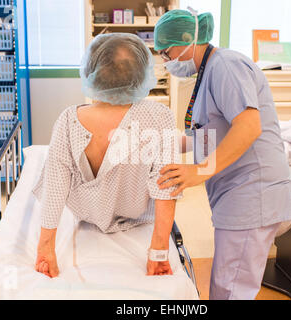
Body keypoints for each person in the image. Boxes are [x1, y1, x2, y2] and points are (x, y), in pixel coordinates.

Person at [155, 9, 291, 300]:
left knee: (231, 289)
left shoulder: (226, 66)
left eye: (166, 53)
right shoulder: (208, 72)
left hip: (252, 192)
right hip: (237, 192)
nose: (166, 62)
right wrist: (150, 141)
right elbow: (205, 134)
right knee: (227, 283)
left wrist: (199, 171)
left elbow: (248, 127)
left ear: (186, 40)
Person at [32, 33, 181, 278]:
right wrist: (159, 251)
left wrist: (45, 246)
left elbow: (55, 184)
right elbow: (165, 186)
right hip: (137, 216)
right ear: (143, 74)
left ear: (92, 73)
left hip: (87, 215)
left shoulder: (69, 119)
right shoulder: (158, 116)